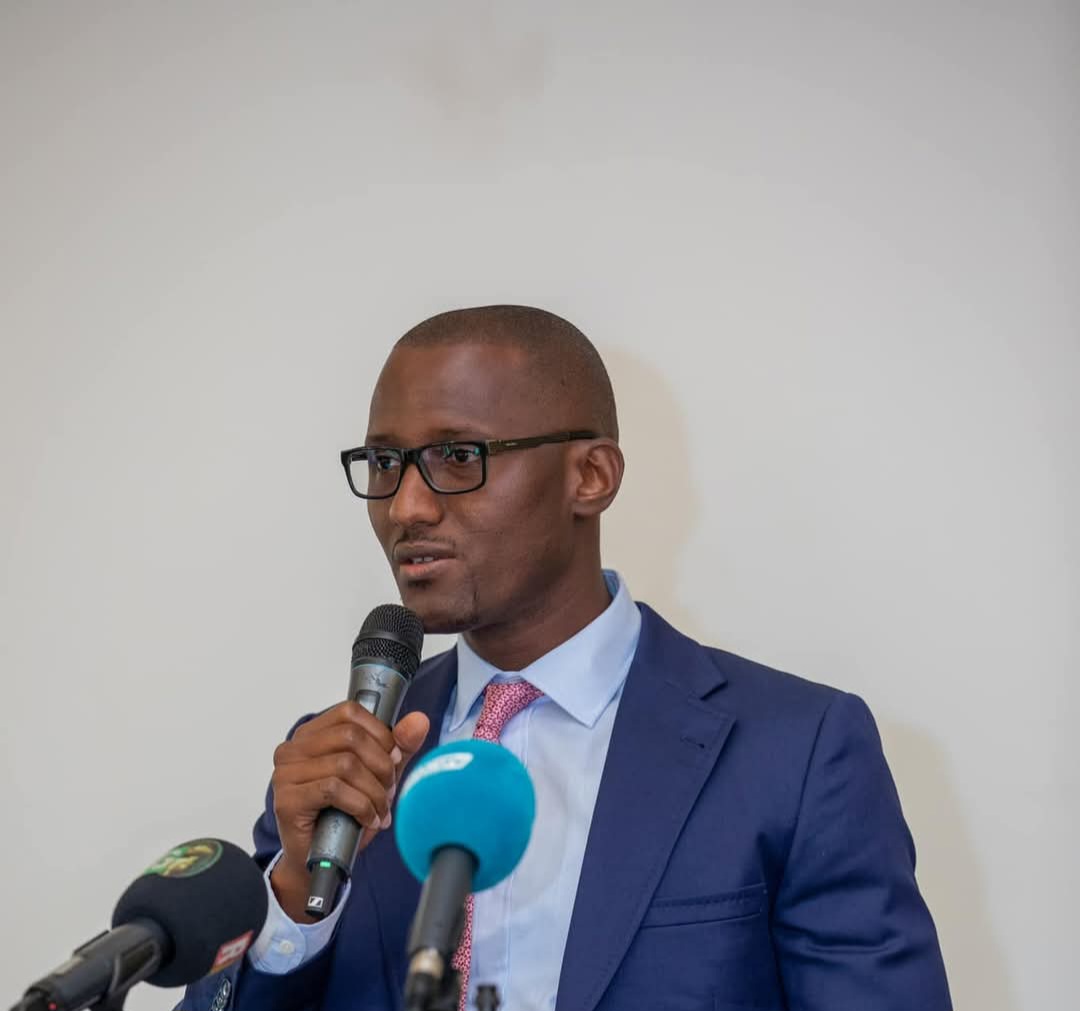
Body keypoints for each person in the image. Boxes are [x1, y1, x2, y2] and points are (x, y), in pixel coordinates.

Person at [180, 305, 952, 1011]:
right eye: (385, 463)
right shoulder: (342, 761)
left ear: (590, 476)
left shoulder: (796, 751)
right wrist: (293, 893)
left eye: (458, 455)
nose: (407, 506)